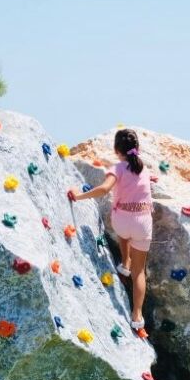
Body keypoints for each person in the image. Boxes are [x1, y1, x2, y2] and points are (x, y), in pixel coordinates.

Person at [69, 128, 153, 336]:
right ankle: (137, 316)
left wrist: (79, 196)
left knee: (124, 233)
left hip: (122, 221)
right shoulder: (143, 168)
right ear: (137, 148)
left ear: (117, 150)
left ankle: (124, 264)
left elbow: (105, 189)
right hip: (142, 223)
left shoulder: (117, 168)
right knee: (139, 272)